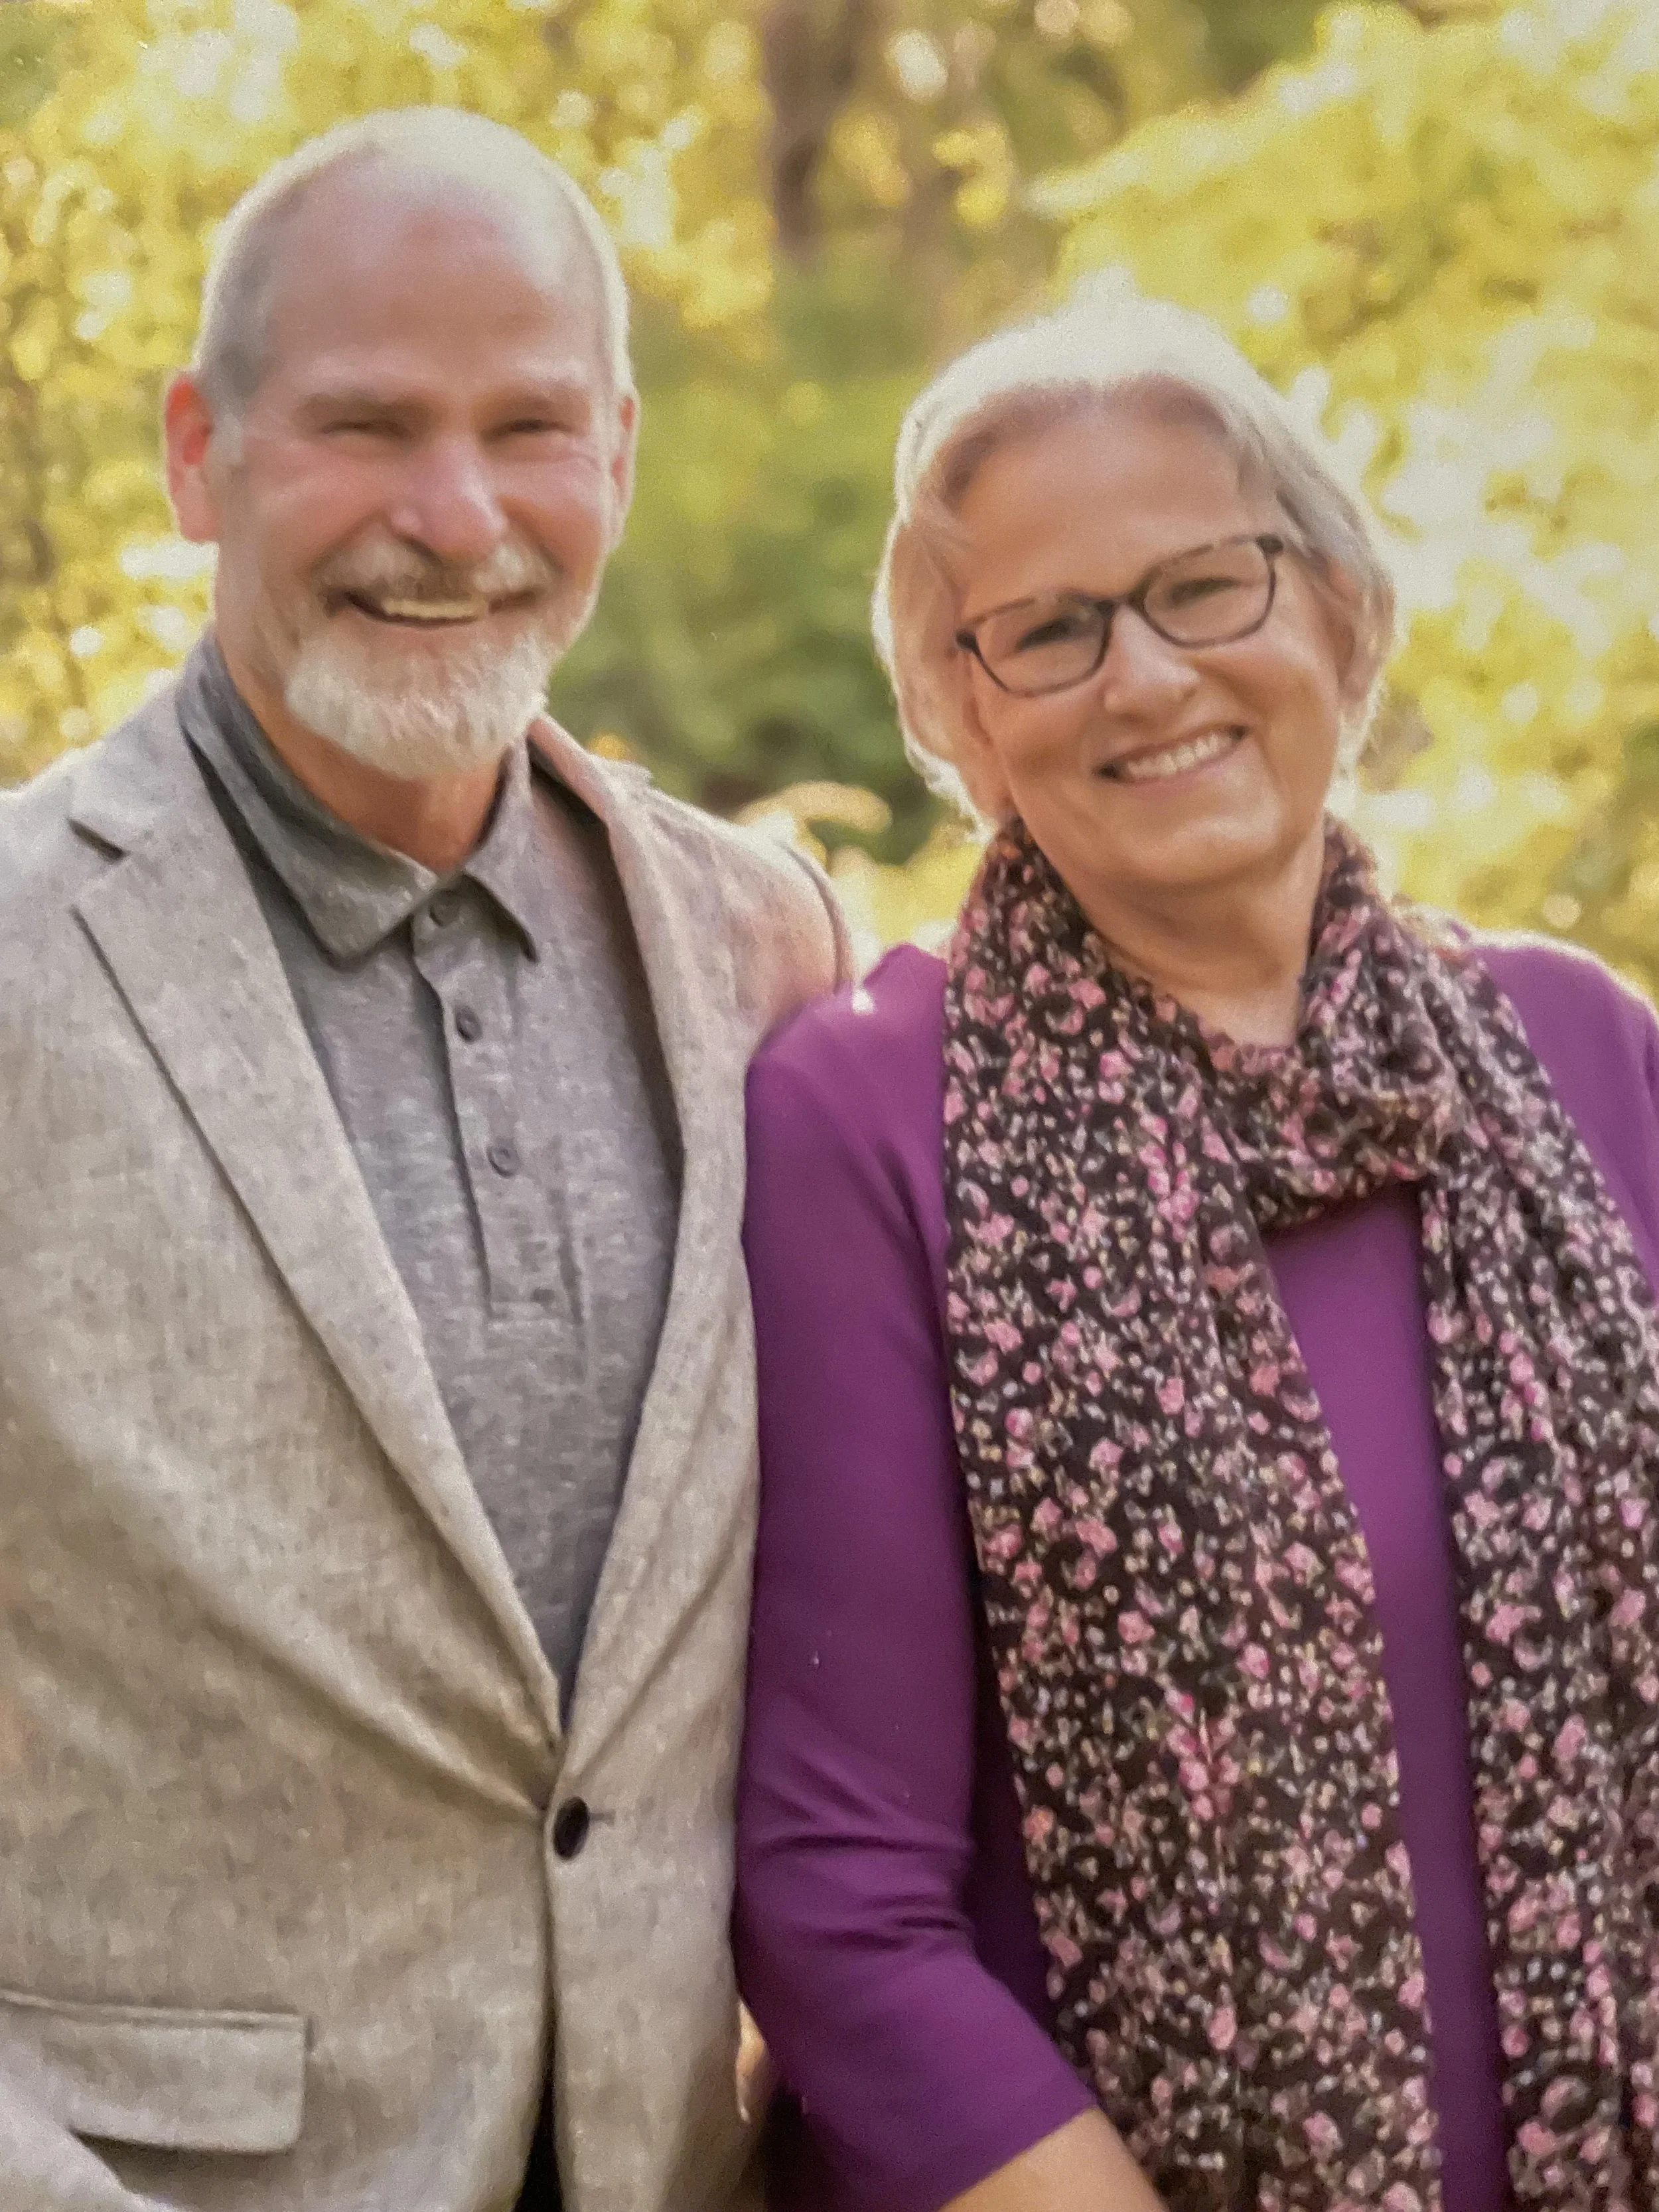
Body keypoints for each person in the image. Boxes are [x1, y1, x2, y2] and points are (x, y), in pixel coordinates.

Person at [0, 107, 849, 2212]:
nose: (452, 513)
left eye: (526, 428)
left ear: (621, 456)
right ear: (201, 451)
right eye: (368, 425)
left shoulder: (763, 941)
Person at [735, 292, 1659, 2212]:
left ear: (1332, 612)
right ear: (964, 715)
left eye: (1203, 588)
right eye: (1048, 631)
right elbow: (839, 1891)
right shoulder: (863, 1122)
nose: (1142, 679)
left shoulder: (1584, 1050)